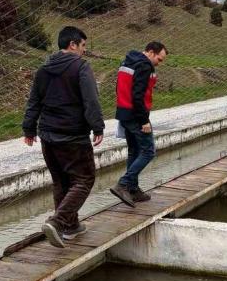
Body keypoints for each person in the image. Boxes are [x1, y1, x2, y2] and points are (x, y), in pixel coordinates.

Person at [22, 26, 105, 248]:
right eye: (83, 45)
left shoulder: (43, 69)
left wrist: (29, 128)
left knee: (61, 182)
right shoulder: (81, 67)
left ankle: (71, 226)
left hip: (48, 136)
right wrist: (97, 127)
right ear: (72, 44)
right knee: (84, 179)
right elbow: (91, 100)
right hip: (72, 136)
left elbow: (34, 101)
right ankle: (57, 222)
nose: (84, 50)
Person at [110, 41, 168, 206]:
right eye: (159, 59)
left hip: (124, 112)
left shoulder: (127, 61)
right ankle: (123, 184)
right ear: (151, 52)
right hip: (136, 115)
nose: (159, 63)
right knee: (148, 151)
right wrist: (144, 121)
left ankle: (133, 190)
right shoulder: (144, 65)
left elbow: (119, 87)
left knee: (134, 151)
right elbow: (138, 95)